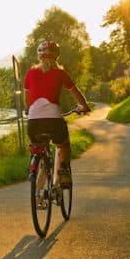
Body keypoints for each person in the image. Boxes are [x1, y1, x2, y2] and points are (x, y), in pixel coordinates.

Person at [24, 40, 90, 189]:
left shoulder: (30, 73)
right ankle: (64, 172)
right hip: (54, 121)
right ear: (56, 57)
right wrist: (84, 106)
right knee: (63, 145)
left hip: (33, 123)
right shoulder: (60, 73)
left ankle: (38, 192)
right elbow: (75, 92)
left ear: (39, 56)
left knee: (40, 149)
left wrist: (29, 111)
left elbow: (27, 99)